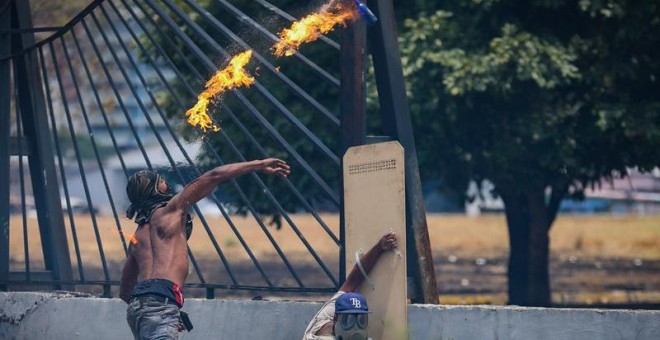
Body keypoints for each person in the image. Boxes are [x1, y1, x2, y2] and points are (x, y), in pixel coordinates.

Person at [119, 159, 290, 340]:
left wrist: (152, 307)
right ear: (154, 189)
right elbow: (214, 176)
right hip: (163, 301)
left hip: (137, 307)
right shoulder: (171, 211)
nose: (166, 183)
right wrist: (259, 165)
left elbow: (124, 292)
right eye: (161, 181)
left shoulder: (136, 238)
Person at [302, 232, 398, 340]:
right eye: (348, 320)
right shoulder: (319, 337)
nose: (355, 328)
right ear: (335, 319)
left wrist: (379, 247)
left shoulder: (333, 309)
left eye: (361, 320)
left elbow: (353, 280)